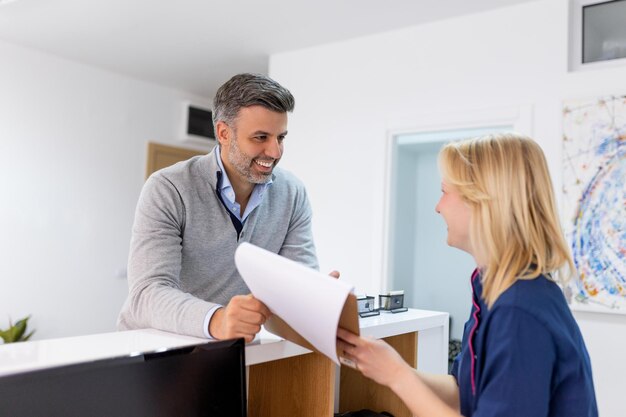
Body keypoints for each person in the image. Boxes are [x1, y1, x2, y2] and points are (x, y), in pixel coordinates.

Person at [337, 133, 598, 417]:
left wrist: (398, 376)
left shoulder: (518, 310)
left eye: (445, 191)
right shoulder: (494, 289)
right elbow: (465, 391)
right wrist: (386, 365)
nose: (438, 207)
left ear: (483, 202)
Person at [118, 73, 328, 342]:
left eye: (281, 137)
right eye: (261, 137)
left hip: (231, 348)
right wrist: (218, 319)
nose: (274, 152)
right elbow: (147, 293)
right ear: (223, 133)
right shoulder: (169, 188)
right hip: (155, 350)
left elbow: (296, 280)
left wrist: (316, 295)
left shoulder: (292, 193)